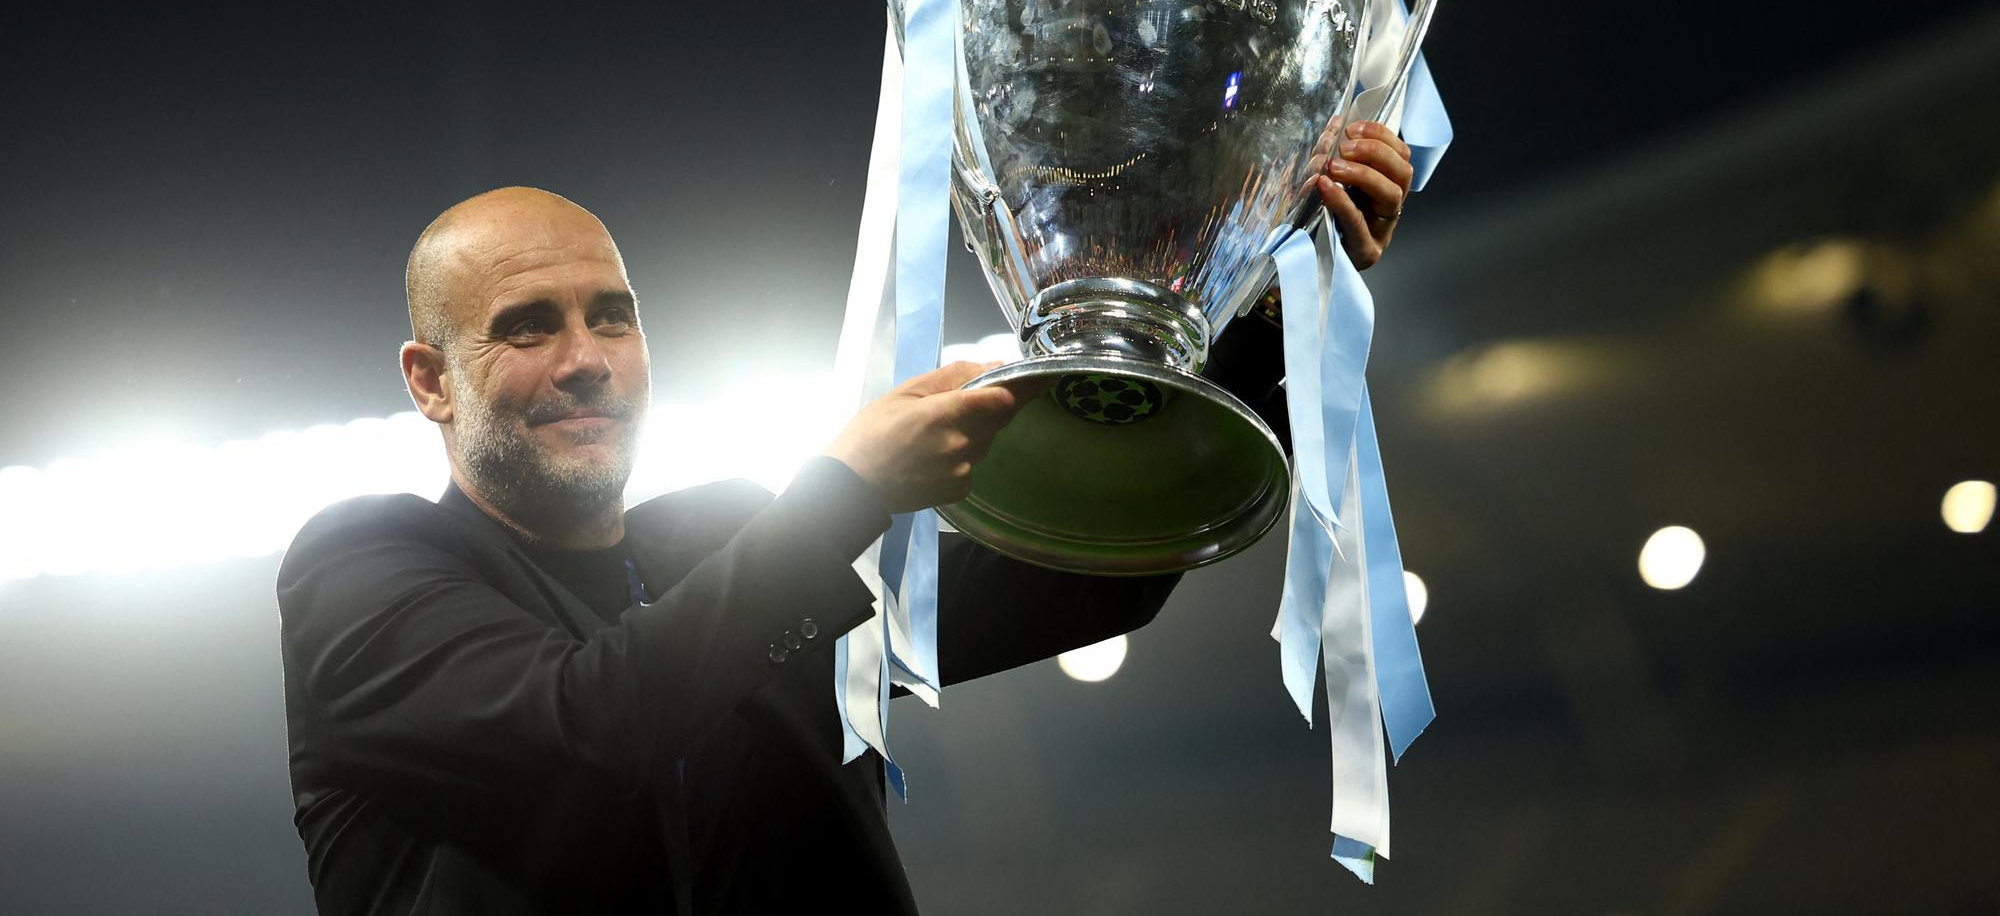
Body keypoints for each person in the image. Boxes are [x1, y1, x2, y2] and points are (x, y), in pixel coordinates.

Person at [276, 122, 1414, 914]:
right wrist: (842, 493)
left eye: (612, 317)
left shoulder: (726, 541)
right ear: (429, 379)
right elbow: (595, 715)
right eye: (527, 326)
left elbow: (1091, 573)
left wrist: (1270, 309)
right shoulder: (362, 573)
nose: (587, 360)